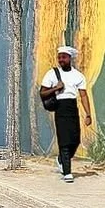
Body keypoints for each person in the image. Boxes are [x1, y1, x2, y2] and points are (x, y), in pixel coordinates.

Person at [39, 46, 92, 182]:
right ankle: (67, 172)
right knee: (64, 141)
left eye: (64, 57)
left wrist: (88, 114)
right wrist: (55, 88)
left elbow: (83, 95)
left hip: (72, 107)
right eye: (59, 57)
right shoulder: (52, 74)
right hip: (60, 108)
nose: (61, 59)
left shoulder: (78, 75)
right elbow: (42, 93)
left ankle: (61, 160)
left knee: (75, 140)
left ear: (70, 58)